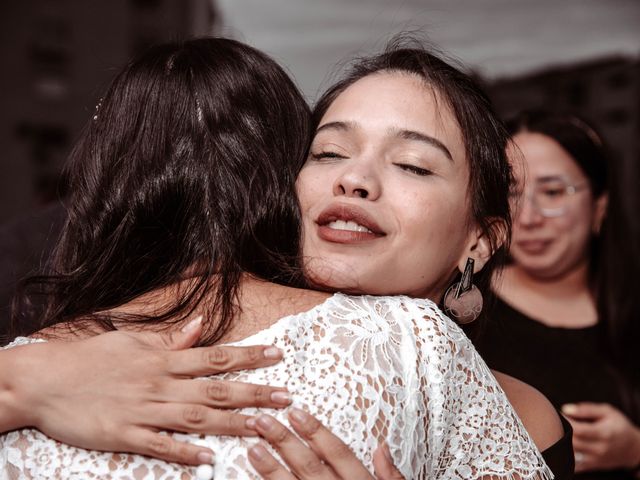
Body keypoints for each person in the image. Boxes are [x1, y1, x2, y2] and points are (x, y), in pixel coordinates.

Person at [0, 38, 556, 478]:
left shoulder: (441, 359)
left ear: (480, 241)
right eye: (327, 152)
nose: (353, 179)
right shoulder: (44, 362)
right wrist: (23, 380)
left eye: (412, 164)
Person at [470, 110, 640, 478]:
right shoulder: (465, 305)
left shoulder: (629, 311)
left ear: (600, 205)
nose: (528, 217)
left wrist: (635, 449)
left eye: (552, 192)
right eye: (511, 192)